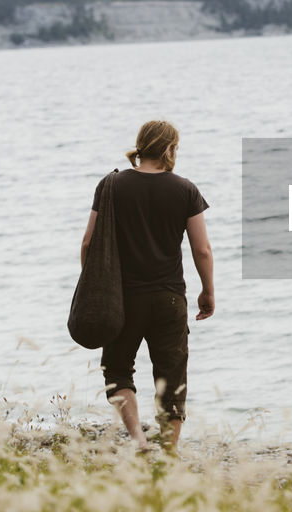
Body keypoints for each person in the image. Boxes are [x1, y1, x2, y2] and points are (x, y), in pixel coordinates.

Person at [80, 119, 214, 452]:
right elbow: (202, 249)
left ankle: (139, 441)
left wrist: (95, 288)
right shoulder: (185, 189)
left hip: (122, 299)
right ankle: (169, 452)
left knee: (117, 371)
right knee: (171, 376)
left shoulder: (111, 185)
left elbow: (88, 243)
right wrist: (208, 290)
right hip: (169, 298)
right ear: (169, 149)